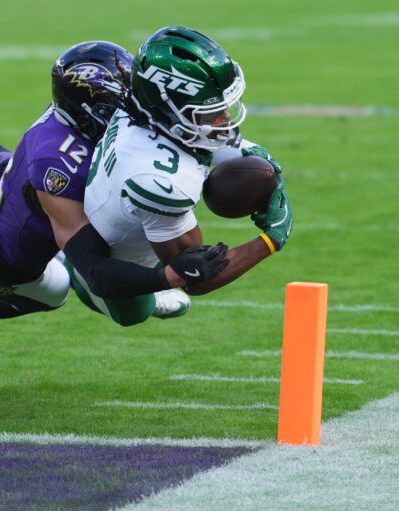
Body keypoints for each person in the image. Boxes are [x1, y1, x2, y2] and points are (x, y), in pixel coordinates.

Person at [0, 40, 228, 322]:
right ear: (94, 111)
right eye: (123, 105)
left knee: (3, 161)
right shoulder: (59, 166)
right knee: (58, 289)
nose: (133, 111)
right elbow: (95, 269)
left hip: (10, 182)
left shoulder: (69, 116)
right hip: (2, 260)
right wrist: (165, 278)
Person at [69, 27, 293, 326]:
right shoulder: (159, 181)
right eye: (209, 112)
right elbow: (196, 275)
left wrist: (264, 164)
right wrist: (271, 240)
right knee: (133, 313)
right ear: (170, 109)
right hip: (120, 263)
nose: (225, 118)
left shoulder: (140, 102)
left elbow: (211, 141)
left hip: (105, 204)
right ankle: (74, 272)